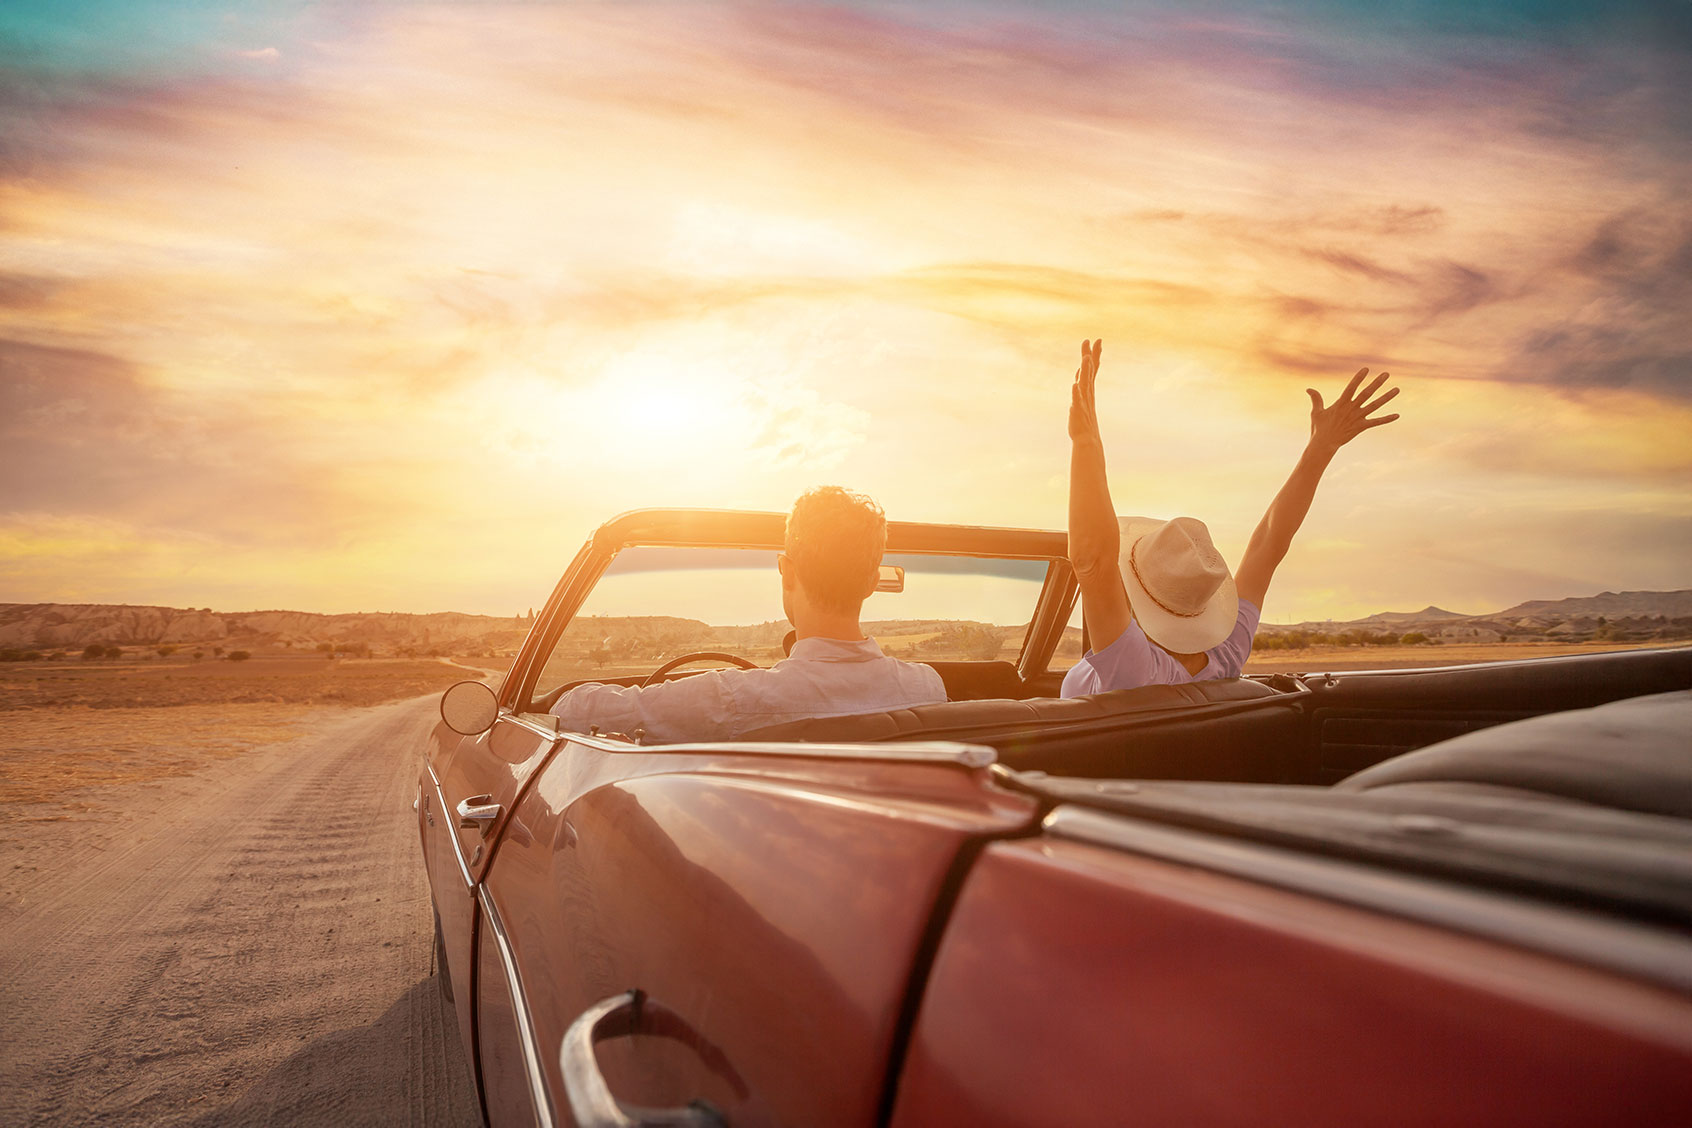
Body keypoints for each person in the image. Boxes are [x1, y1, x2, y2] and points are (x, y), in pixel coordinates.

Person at [1063, 339, 1401, 695]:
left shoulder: (1134, 670)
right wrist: (1321, 448)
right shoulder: (1227, 655)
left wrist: (1086, 443)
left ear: (1135, 595)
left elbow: (1093, 561)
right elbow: (1269, 544)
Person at [548, 486, 947, 741]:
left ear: (787, 571)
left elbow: (573, 711)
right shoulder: (927, 689)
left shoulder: (732, 699)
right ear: (872, 581)